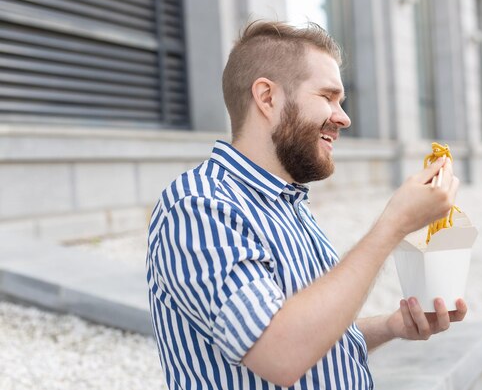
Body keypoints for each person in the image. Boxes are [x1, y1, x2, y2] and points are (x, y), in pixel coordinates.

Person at [146, 20, 465, 390]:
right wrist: (394, 225)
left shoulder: (289, 203)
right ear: (267, 98)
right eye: (328, 97)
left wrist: (391, 326)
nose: (343, 117)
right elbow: (279, 352)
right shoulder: (198, 208)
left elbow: (306, 334)